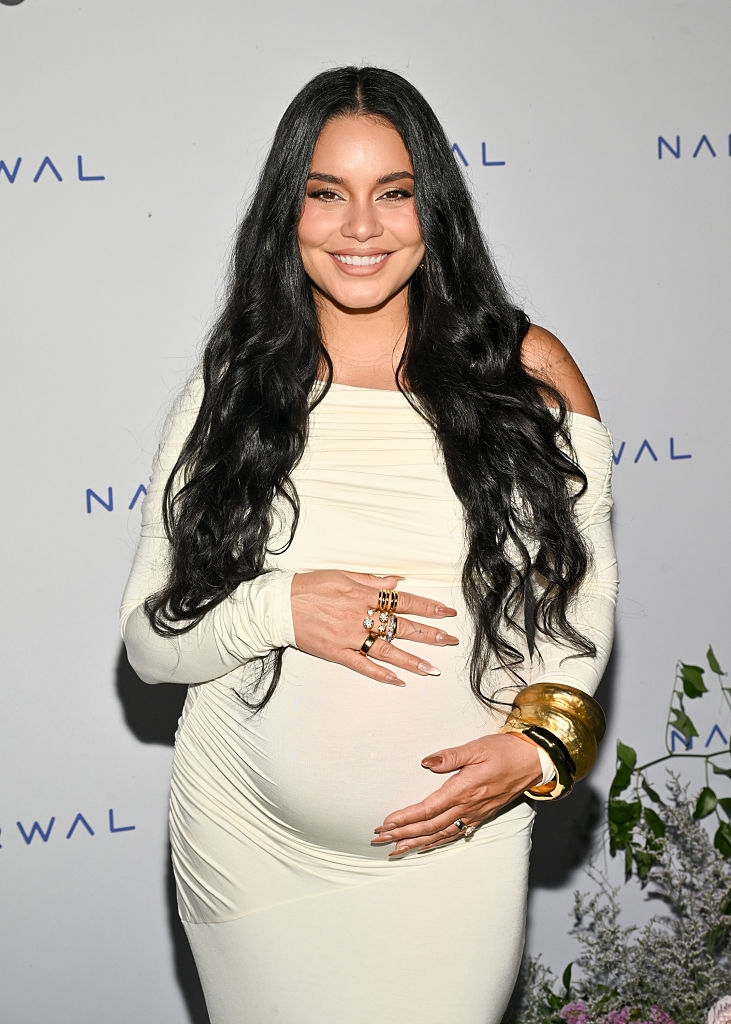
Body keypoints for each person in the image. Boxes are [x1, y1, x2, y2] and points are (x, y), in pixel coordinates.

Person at [120, 66, 617, 1024]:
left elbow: (580, 599)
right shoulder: (233, 390)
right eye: (325, 194)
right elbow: (147, 644)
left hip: (454, 858)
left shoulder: (528, 371)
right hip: (246, 847)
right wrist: (279, 606)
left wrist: (541, 744)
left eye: (393, 193)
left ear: (435, 210)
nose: (360, 227)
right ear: (286, 214)